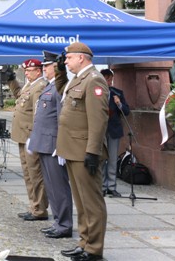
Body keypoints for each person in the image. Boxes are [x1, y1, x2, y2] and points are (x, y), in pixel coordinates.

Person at [55, 42, 108, 261]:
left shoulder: (94, 80)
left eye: (68, 58)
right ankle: (84, 242)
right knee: (81, 201)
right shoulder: (78, 80)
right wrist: (59, 72)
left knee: (91, 202)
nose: (66, 61)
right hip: (72, 149)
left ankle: (94, 249)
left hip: (84, 150)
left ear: (81, 58)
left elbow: (99, 119)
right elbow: (63, 93)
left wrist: (93, 151)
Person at [29, 52, 73, 239]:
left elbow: (62, 118)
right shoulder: (49, 86)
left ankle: (64, 224)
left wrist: (61, 145)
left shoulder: (59, 88)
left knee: (59, 186)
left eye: (47, 66)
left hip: (54, 144)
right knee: (51, 186)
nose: (44, 69)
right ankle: (58, 221)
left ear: (56, 67)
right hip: (44, 143)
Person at [7, 59, 49, 221]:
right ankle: (34, 206)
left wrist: (35, 136)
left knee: (35, 174)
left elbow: (38, 114)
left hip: (31, 136)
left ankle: (39, 208)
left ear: (38, 71)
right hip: (23, 136)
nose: (26, 73)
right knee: (28, 173)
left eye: (29, 70)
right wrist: (11, 80)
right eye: (25, 70)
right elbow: (19, 96)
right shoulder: (29, 85)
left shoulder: (40, 86)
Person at [100, 68, 130, 198]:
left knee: (112, 159)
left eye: (110, 79)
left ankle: (111, 186)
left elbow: (126, 111)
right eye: (106, 79)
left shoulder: (117, 93)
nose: (109, 81)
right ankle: (101, 186)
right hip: (100, 130)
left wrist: (119, 104)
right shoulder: (97, 92)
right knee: (101, 159)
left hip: (113, 130)